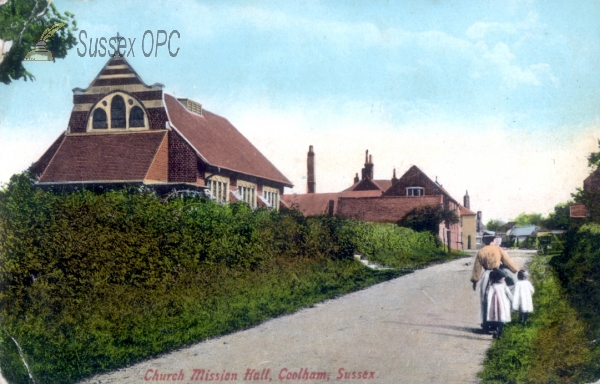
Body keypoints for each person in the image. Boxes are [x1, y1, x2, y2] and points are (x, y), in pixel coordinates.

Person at [471, 239, 520, 331]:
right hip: (497, 275)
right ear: (493, 240)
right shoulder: (498, 249)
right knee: (499, 299)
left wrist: (475, 280)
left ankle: (486, 324)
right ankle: (498, 322)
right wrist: (517, 270)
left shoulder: (481, 251)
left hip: (486, 276)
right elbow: (508, 261)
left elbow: (477, 267)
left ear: (483, 240)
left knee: (485, 299)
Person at [487, 269, 513, 338]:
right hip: (503, 305)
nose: (504, 279)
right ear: (498, 278)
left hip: (495, 305)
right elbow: (509, 294)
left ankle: (496, 331)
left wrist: (489, 303)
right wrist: (513, 300)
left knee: (496, 319)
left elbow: (489, 295)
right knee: (501, 319)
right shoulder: (501, 286)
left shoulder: (493, 286)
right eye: (503, 277)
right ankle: (498, 332)